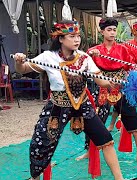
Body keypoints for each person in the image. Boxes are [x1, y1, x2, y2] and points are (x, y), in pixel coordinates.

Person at [13, 20, 123, 180]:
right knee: (40, 145)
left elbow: (100, 80)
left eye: (78, 36)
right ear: (61, 39)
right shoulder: (48, 57)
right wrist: (19, 62)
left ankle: (119, 178)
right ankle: (35, 178)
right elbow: (23, 69)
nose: (77, 39)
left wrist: (111, 83)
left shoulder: (84, 58)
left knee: (106, 139)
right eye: (72, 36)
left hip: (83, 105)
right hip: (57, 106)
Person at [76, 17, 137, 163]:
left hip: (120, 88)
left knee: (133, 118)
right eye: (109, 30)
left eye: (114, 30)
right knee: (94, 120)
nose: (112, 33)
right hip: (101, 88)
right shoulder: (94, 51)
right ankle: (89, 151)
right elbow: (84, 67)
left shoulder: (123, 49)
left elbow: (131, 66)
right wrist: (91, 57)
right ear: (102, 32)